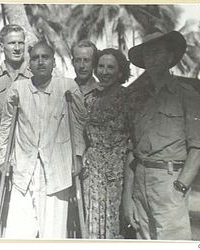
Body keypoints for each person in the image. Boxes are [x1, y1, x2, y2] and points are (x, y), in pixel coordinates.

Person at [122, 28, 200, 240]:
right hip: (140, 183)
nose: (151, 59)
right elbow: (131, 150)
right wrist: (128, 195)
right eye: (147, 54)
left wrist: (180, 186)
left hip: (169, 182)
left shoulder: (187, 95)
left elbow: (199, 147)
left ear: (170, 57)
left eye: (157, 52)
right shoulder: (138, 99)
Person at [0, 41, 87, 238]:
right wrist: (3, 159)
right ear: (29, 64)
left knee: (53, 233)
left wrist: (78, 155)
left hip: (56, 170)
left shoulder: (67, 87)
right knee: (18, 233)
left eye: (45, 57)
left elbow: (79, 123)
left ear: (53, 62)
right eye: (35, 58)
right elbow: (5, 126)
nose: (40, 62)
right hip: (24, 169)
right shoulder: (18, 88)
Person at [82, 48, 130, 239]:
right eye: (101, 66)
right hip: (92, 170)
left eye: (111, 67)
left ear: (120, 71)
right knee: (91, 219)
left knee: (116, 221)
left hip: (119, 169)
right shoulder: (89, 98)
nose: (105, 71)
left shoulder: (129, 98)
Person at [0, 24, 32, 192]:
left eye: (21, 43)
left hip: (29, 149)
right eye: (12, 43)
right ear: (2, 46)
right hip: (1, 150)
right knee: (2, 202)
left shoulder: (35, 77)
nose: (17, 48)